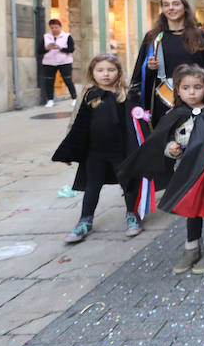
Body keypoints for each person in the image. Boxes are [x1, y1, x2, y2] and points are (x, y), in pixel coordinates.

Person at [119, 64, 204, 274]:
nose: (192, 92)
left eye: (197, 87)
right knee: (191, 209)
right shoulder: (175, 114)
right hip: (186, 171)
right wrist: (171, 149)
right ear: (177, 90)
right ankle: (192, 248)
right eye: (186, 88)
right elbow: (164, 140)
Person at [53, 54, 141, 243]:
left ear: (119, 72)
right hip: (95, 152)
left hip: (121, 150)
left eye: (111, 70)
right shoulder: (89, 95)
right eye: (100, 70)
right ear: (92, 73)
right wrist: (69, 149)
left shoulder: (126, 94)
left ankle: (132, 215)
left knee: (128, 183)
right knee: (92, 186)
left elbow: (136, 123)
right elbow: (76, 123)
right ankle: (85, 220)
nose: (106, 74)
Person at [129, 0, 204, 127]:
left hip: (193, 97)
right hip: (163, 100)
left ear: (185, 7)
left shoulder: (199, 35)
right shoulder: (153, 37)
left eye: (176, 4)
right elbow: (140, 72)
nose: (171, 8)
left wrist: (195, 79)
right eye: (166, 5)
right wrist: (149, 68)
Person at [40, 18, 77, 107]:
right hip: (49, 62)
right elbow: (39, 51)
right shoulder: (46, 37)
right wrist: (47, 49)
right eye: (52, 28)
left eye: (56, 27)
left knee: (67, 80)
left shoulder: (67, 36)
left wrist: (60, 48)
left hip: (64, 62)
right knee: (49, 81)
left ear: (60, 27)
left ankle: (74, 98)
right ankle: (50, 100)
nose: (54, 29)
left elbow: (71, 49)